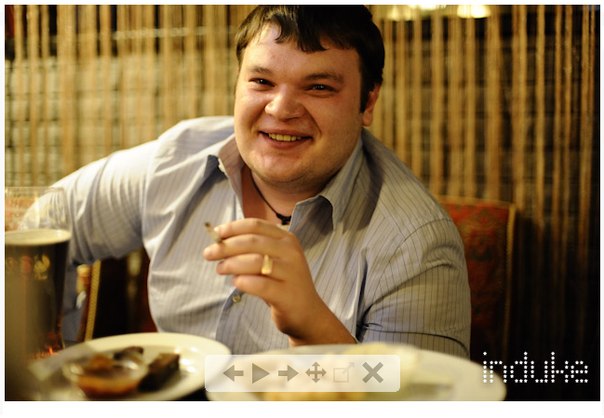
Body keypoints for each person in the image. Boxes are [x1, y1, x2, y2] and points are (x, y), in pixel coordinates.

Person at [57, 5, 471, 357]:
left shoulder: (416, 243)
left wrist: (313, 326)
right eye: (262, 82)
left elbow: (416, 400)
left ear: (368, 101)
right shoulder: (174, 162)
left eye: (319, 86)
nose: (281, 108)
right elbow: (41, 228)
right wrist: (52, 357)